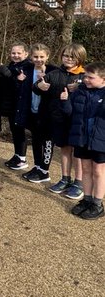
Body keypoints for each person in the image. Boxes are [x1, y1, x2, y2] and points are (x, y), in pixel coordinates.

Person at [63, 63, 105, 220]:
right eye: (85, 76)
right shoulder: (80, 91)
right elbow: (69, 111)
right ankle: (87, 199)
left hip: (100, 140)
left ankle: (97, 204)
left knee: (98, 172)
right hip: (82, 137)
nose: (85, 79)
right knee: (86, 169)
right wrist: (65, 100)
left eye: (90, 77)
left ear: (103, 79)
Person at [46, 43, 87, 200]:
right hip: (60, 118)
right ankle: (65, 179)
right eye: (66, 56)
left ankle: (79, 182)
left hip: (77, 120)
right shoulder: (57, 72)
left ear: (79, 58)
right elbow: (40, 86)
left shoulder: (84, 75)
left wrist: (79, 88)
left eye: (72, 57)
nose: (68, 59)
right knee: (64, 149)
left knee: (77, 152)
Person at [20, 43, 60, 184]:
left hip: (48, 113)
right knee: (36, 140)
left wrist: (48, 85)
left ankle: (44, 171)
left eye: (42, 56)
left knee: (47, 142)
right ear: (30, 57)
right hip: (32, 111)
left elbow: (58, 90)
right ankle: (37, 166)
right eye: (35, 56)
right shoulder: (26, 70)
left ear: (47, 56)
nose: (38, 59)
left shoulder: (54, 71)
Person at [0, 41, 31, 169]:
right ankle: (17, 155)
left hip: (21, 105)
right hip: (11, 105)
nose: (15, 55)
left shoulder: (28, 67)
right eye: (13, 53)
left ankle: (22, 158)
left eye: (18, 53)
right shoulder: (12, 65)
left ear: (26, 53)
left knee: (20, 131)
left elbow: (20, 86)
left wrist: (10, 76)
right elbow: (6, 85)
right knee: (15, 130)